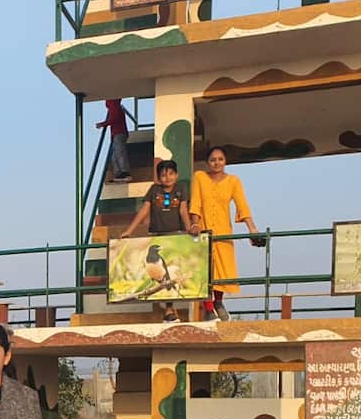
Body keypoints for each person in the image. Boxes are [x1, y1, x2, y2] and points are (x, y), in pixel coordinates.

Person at [189, 146, 264, 322]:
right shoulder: (199, 177)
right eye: (213, 160)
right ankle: (208, 309)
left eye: (220, 159)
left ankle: (218, 302)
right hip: (204, 229)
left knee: (223, 268)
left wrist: (252, 229)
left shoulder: (233, 181)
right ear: (207, 162)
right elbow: (195, 203)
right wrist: (195, 223)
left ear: (225, 161)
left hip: (223, 230)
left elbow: (242, 205)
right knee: (206, 269)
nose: (217, 163)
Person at [120, 159, 194, 323]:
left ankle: (170, 309)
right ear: (159, 177)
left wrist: (189, 228)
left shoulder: (181, 188)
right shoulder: (154, 190)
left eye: (171, 174)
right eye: (163, 175)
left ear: (176, 175)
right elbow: (144, 210)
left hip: (175, 233)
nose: (167, 178)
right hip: (156, 233)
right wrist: (129, 231)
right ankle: (169, 310)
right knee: (159, 276)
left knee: (169, 273)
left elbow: (183, 210)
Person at [97, 98, 133, 183]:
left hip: (119, 133)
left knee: (119, 152)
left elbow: (114, 119)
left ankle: (125, 172)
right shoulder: (115, 108)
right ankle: (119, 173)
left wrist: (103, 124)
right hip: (117, 133)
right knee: (115, 155)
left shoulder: (115, 107)